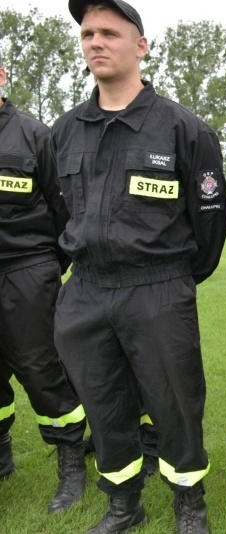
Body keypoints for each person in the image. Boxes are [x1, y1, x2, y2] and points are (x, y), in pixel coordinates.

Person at [51, 2, 226, 532]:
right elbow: (59, 209)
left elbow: (210, 225)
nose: (95, 42)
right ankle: (124, 505)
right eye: (87, 33)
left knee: (175, 406)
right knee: (104, 409)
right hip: (85, 291)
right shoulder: (64, 131)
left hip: (157, 290)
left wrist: (171, 280)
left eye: (110, 32)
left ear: (141, 46)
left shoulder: (184, 129)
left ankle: (188, 506)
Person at [0, 51, 88, 513]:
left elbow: (63, 209)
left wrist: (45, 267)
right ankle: (1, 458)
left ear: (1, 76)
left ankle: (71, 462)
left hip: (26, 268)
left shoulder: (34, 135)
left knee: (41, 369)